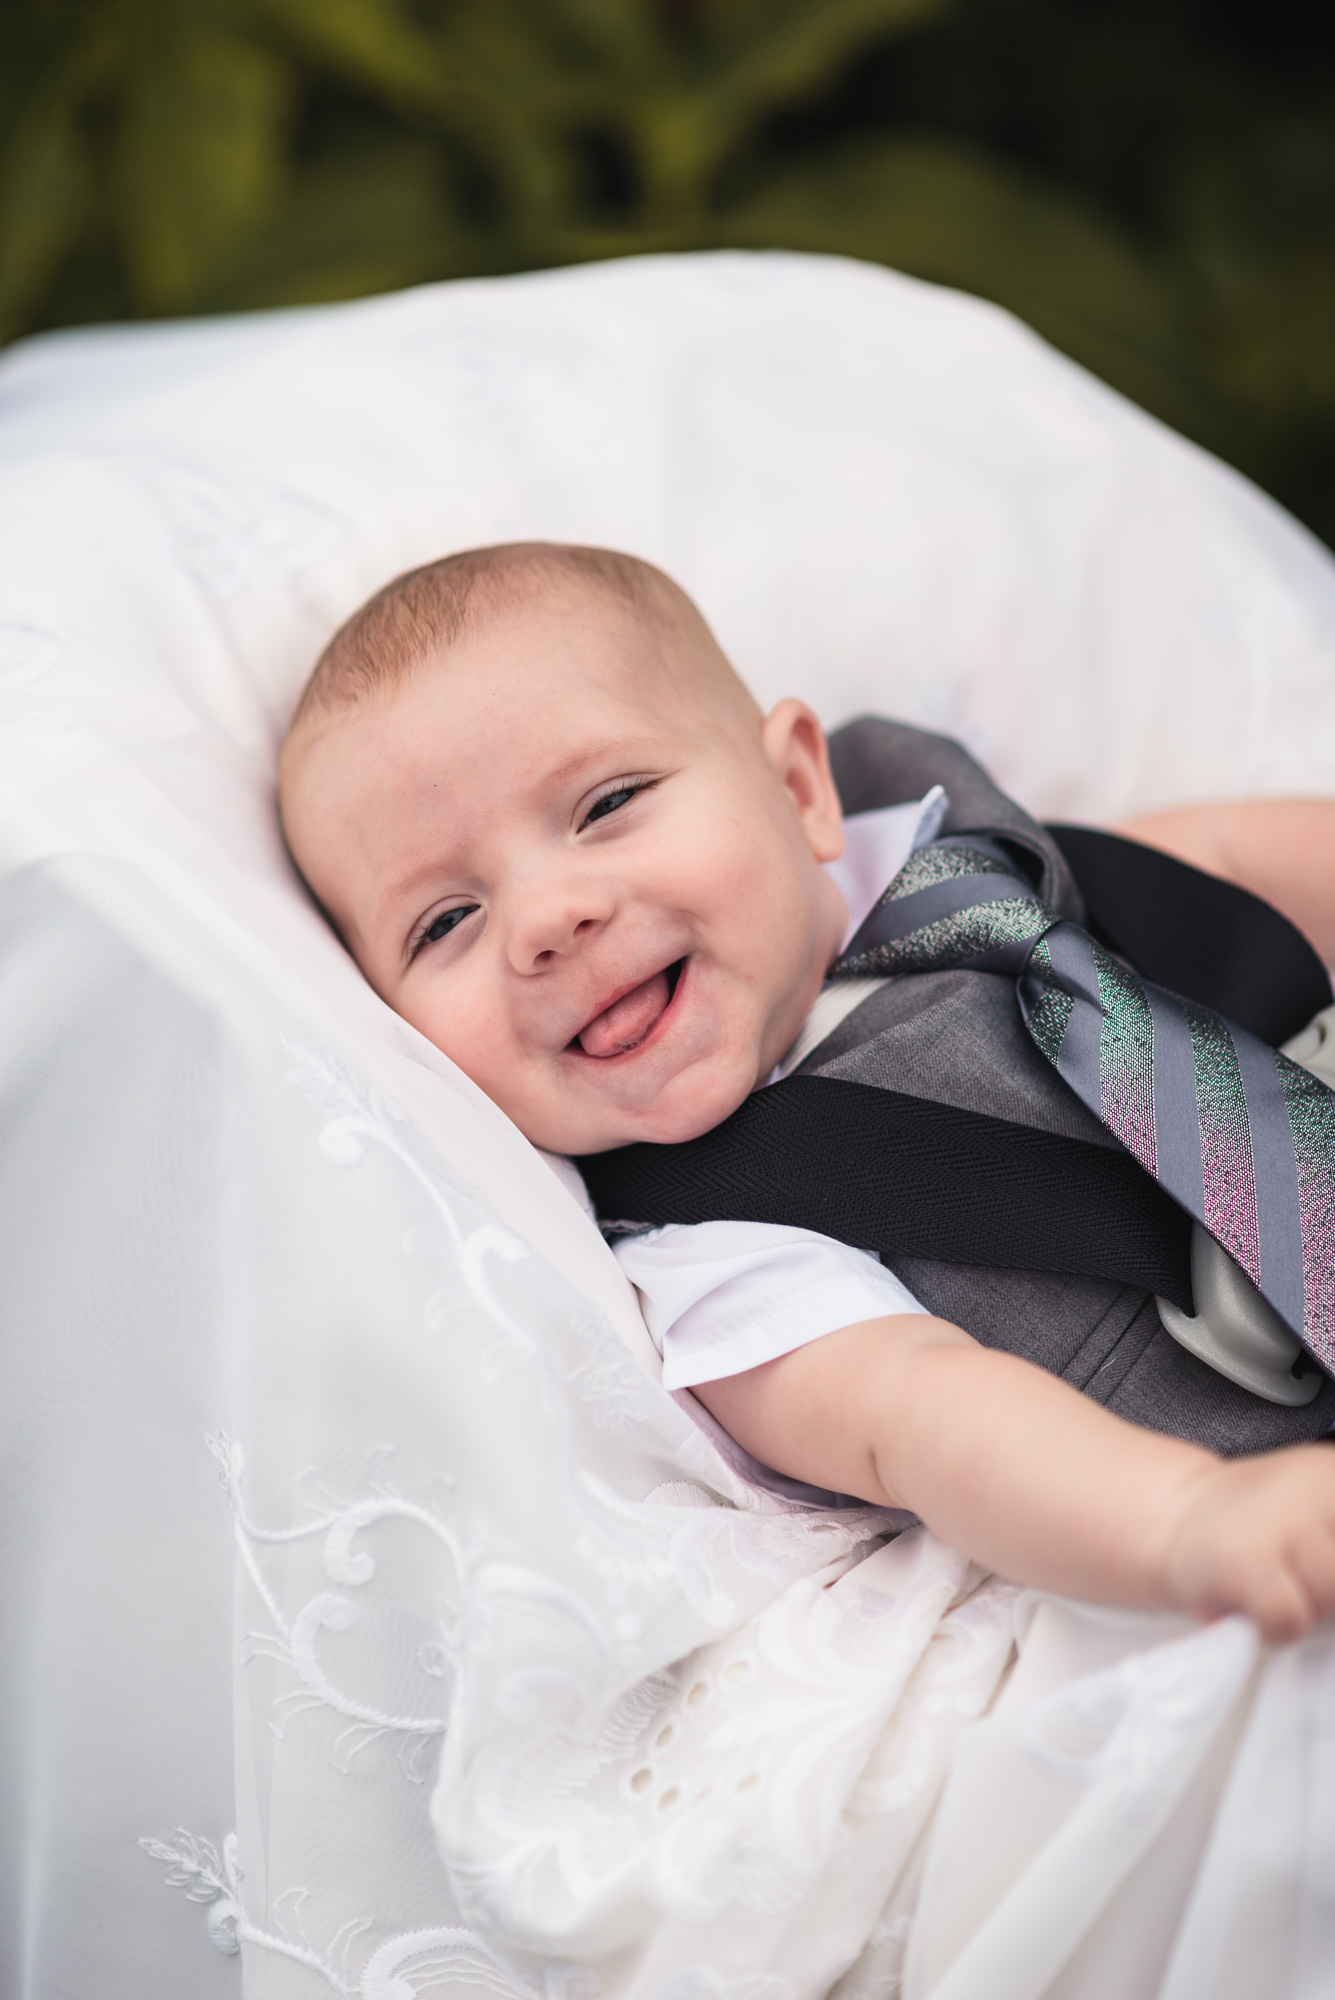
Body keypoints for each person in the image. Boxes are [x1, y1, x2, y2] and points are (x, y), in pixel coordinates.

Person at [279, 540, 1335, 1643]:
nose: (548, 918)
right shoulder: (713, 1246)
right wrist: (1191, 1520)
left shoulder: (968, 858)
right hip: (1267, 1457)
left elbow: (1212, 863)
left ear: (796, 786)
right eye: (445, 920)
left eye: (606, 803)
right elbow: (920, 1413)